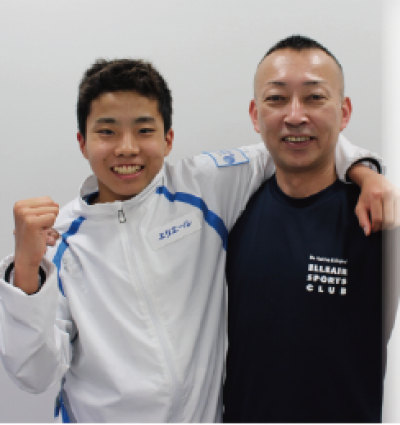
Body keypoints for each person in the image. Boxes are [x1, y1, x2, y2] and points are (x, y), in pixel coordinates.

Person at [0, 58, 389, 422]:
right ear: (82, 142)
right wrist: (27, 271)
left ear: (168, 139)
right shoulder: (61, 242)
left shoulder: (203, 189)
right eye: (107, 131)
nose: (126, 147)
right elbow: (34, 374)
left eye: (144, 130)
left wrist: (365, 172)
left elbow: (295, 139)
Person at [224, 35, 395, 423]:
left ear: (344, 112)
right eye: (277, 98)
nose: (295, 116)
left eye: (315, 97)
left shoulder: (380, 217)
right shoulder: (232, 208)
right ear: (254, 113)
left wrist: (368, 174)